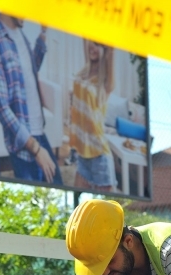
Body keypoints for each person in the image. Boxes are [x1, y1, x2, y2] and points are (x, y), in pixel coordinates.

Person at [0, 14, 62, 185]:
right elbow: (3, 109)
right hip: (24, 143)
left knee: (58, 183)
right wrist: (36, 150)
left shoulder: (19, 34)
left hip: (39, 132)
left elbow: (30, 70)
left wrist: (43, 33)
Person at [70, 40, 116, 192]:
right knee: (77, 208)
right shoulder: (84, 72)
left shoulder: (105, 83)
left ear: (105, 50)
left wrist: (110, 52)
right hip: (83, 153)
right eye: (91, 43)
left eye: (97, 44)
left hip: (99, 156)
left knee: (107, 211)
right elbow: (85, 37)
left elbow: (110, 54)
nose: (92, 47)